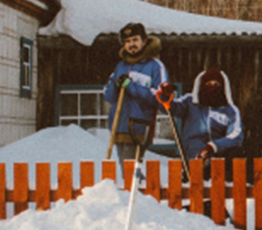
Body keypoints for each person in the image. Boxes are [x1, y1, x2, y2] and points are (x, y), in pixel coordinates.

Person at [103, 22, 169, 164]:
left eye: (135, 40)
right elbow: (108, 96)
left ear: (144, 41)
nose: (131, 44)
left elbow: (161, 97)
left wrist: (132, 86)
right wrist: (116, 85)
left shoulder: (155, 66)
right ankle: (137, 185)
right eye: (127, 41)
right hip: (119, 125)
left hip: (139, 126)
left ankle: (138, 186)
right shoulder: (120, 66)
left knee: (130, 168)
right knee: (127, 169)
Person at [157, 68, 244, 166]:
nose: (212, 88)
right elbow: (171, 107)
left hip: (219, 157)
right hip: (194, 157)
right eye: (208, 85)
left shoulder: (230, 110)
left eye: (216, 85)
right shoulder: (190, 102)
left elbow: (236, 134)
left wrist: (212, 147)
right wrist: (165, 95)